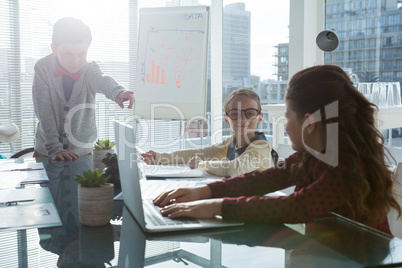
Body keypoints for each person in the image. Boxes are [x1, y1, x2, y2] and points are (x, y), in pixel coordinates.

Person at [153, 65, 402, 235]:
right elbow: (263, 180)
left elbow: (296, 207)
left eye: (287, 116)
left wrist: (216, 205)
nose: (283, 124)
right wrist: (204, 192)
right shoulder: (314, 155)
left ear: (310, 123)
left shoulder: (347, 166)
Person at [32, 17, 134, 161]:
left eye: (82, 54)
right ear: (54, 49)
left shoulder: (89, 68)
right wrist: (55, 148)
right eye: (68, 53)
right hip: (47, 152)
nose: (75, 62)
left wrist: (118, 91)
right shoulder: (42, 68)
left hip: (81, 153)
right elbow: (44, 112)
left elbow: (102, 79)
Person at [141, 88, 274, 177]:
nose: (243, 119)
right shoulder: (232, 142)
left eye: (250, 113)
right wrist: (159, 157)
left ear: (260, 118)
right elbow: (201, 154)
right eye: (235, 114)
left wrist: (200, 164)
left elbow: (234, 168)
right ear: (226, 120)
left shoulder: (261, 147)